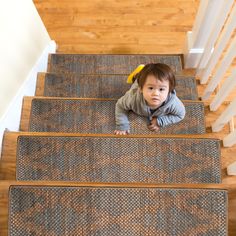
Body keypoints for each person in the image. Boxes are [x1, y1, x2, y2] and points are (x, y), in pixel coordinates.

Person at [114, 63, 186, 135]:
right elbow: (120, 106)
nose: (155, 93)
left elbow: (180, 115)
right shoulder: (132, 98)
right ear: (141, 89)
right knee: (137, 79)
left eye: (161, 89)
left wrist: (161, 121)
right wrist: (122, 125)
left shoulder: (173, 103)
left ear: (169, 90)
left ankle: (143, 72)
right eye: (151, 88)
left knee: (147, 79)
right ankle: (139, 73)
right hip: (138, 84)